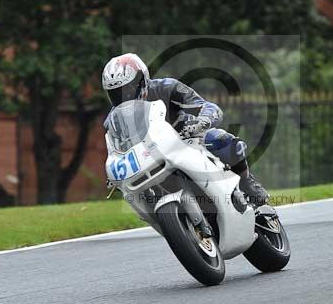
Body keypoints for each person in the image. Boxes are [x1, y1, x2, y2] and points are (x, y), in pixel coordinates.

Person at [102, 53, 270, 209]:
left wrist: (202, 121)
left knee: (224, 141)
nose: (125, 97)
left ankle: (247, 182)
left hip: (186, 140)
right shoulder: (113, 120)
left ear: (142, 81)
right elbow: (114, 149)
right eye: (117, 94)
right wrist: (114, 173)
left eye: (129, 89)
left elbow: (207, 106)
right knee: (136, 197)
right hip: (150, 159)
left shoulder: (167, 87)